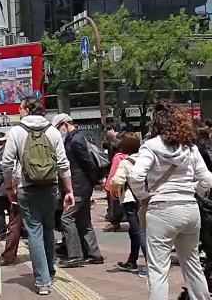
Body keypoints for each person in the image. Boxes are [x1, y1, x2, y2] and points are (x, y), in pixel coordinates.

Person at [129, 101, 212, 299]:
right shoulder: (190, 148)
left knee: (159, 269)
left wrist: (143, 195)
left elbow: (135, 176)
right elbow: (207, 179)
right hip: (190, 208)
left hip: (161, 210)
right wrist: (194, 191)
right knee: (192, 264)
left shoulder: (150, 147)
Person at [1, 96, 74, 295]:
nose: (18, 111)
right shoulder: (52, 131)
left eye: (20, 108)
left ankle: (42, 282)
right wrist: (69, 190)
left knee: (34, 232)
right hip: (50, 187)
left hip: (27, 187)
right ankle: (49, 271)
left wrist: (9, 187)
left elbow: (6, 163)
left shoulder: (16, 131)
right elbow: (63, 163)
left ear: (26, 110)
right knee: (49, 229)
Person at [52, 113, 103, 268]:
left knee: (66, 219)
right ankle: (94, 254)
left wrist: (93, 180)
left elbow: (87, 162)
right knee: (84, 220)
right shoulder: (75, 138)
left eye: (59, 127)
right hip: (81, 185)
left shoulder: (75, 140)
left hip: (78, 186)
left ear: (65, 124)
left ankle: (75, 255)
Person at [109, 131, 147, 275]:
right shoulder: (145, 159)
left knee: (138, 231)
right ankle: (132, 260)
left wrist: (114, 189)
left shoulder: (126, 162)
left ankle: (151, 264)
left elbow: (117, 180)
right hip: (145, 199)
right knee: (135, 231)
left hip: (131, 200)